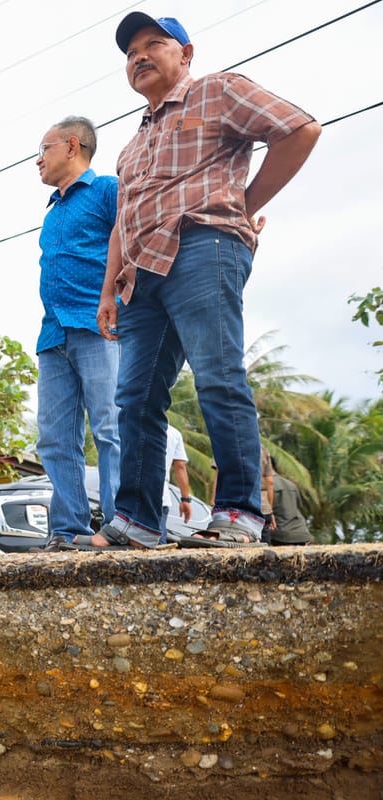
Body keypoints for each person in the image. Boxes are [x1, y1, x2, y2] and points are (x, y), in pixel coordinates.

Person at [86, 12, 320, 549]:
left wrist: (243, 204)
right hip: (141, 277)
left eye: (153, 44)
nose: (139, 56)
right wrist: (108, 292)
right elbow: (124, 219)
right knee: (135, 398)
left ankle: (239, 512)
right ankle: (138, 520)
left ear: (185, 54)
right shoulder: (131, 146)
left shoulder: (216, 92)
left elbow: (299, 129)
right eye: (130, 52)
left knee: (216, 375)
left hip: (203, 247)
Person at [28, 115, 121, 551]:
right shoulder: (54, 208)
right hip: (53, 336)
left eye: (43, 150)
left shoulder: (107, 190)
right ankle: (68, 529)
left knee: (109, 426)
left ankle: (123, 524)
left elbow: (133, 242)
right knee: (54, 436)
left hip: (99, 325)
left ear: (71, 146)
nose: (38, 160)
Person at [268, 457, 313, 546]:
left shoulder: (265, 486)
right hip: (301, 532)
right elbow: (298, 507)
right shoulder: (291, 484)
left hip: (281, 535)